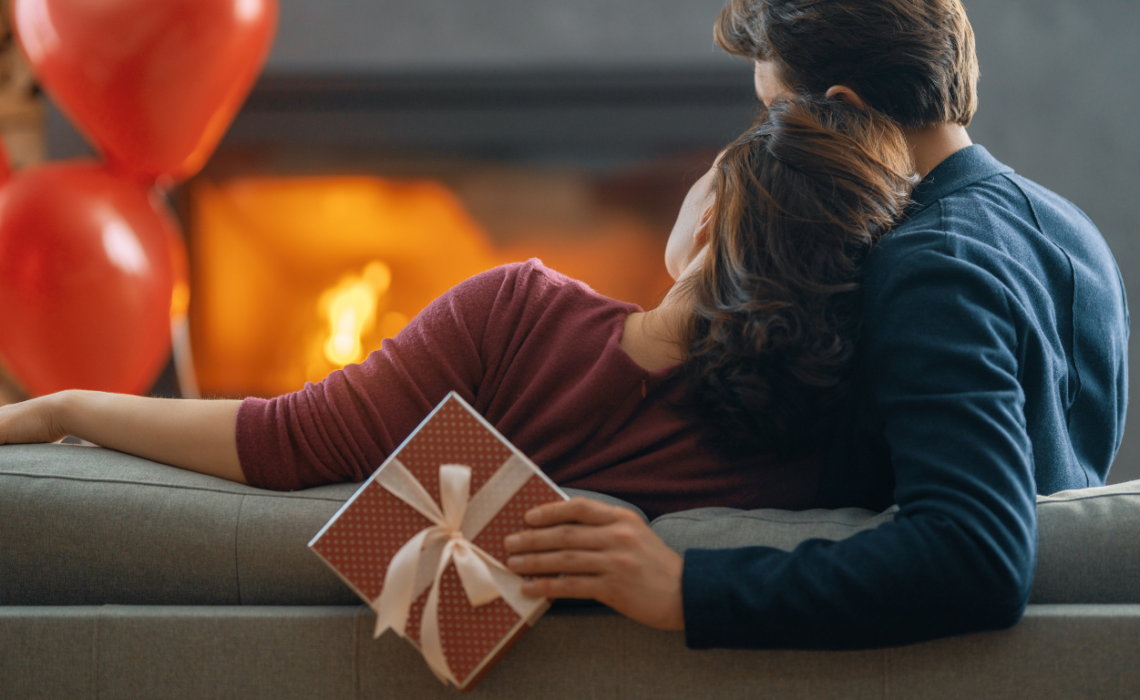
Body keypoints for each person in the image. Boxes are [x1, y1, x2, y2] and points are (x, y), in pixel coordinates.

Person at [0, 96, 912, 619]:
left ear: (708, 219)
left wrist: (64, 409)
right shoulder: (829, 461)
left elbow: (282, 443)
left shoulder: (514, 313)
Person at [503, 0, 1129, 647]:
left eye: (773, 109)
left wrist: (685, 588)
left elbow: (976, 551)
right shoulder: (1069, 230)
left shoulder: (928, 266)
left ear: (843, 106)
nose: (764, 138)